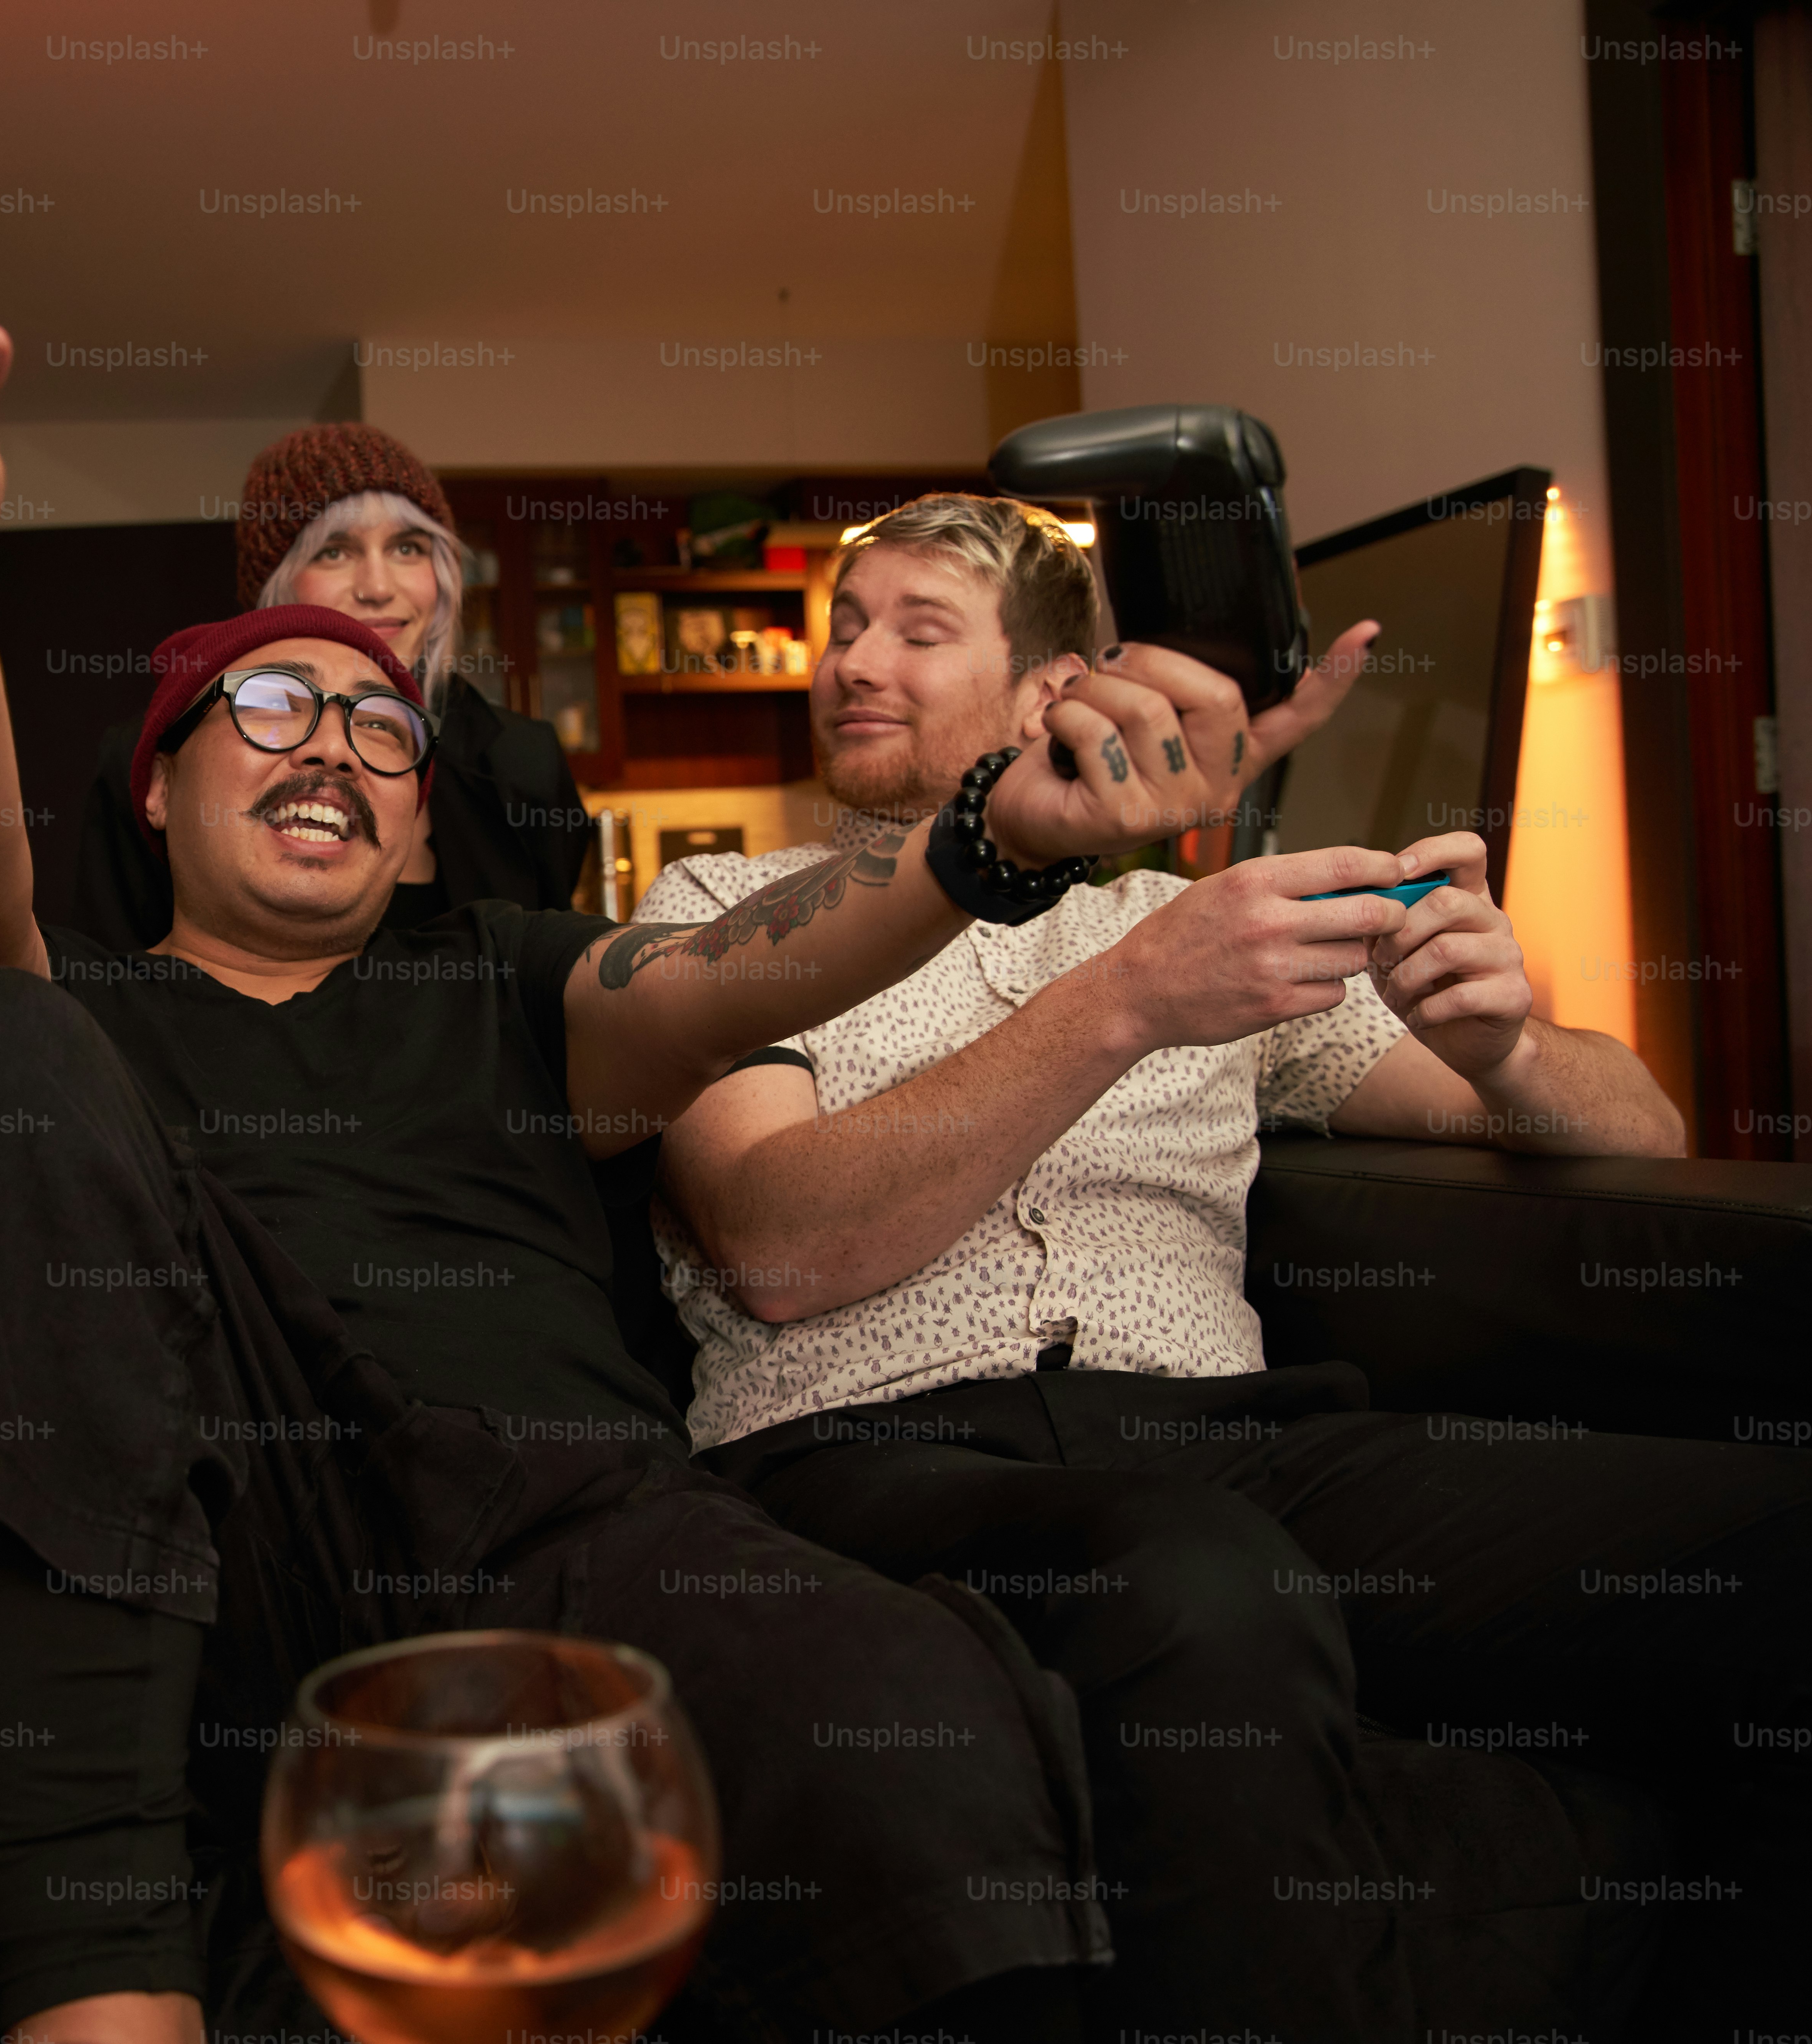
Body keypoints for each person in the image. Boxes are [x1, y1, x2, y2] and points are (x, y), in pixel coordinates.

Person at [0, 151, 1353, 2043]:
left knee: (897, 1690)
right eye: (266, 708)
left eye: (384, 729)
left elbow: (749, 964)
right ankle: (106, 1990)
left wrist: (987, 836)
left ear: (414, 831)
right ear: (153, 793)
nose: (333, 737)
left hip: (560, 1511)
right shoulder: (69, 1011)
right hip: (217, 1516)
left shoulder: (507, 967)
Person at [637, 492, 1809, 2032]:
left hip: (1232, 1439)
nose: (855, 662)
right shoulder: (715, 910)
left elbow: (1638, 1131)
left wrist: (1506, 1041)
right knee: (1195, 1581)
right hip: (872, 1450)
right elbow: (778, 1244)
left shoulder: (1196, 920)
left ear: (1050, 690)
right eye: (844, 628)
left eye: (917, 631)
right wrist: (1123, 1004)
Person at [68, 424, 589, 948]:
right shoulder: (162, 754)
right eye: (334, 552)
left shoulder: (524, 764)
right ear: (276, 585)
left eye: (408, 548)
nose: (379, 588)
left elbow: (552, 981)